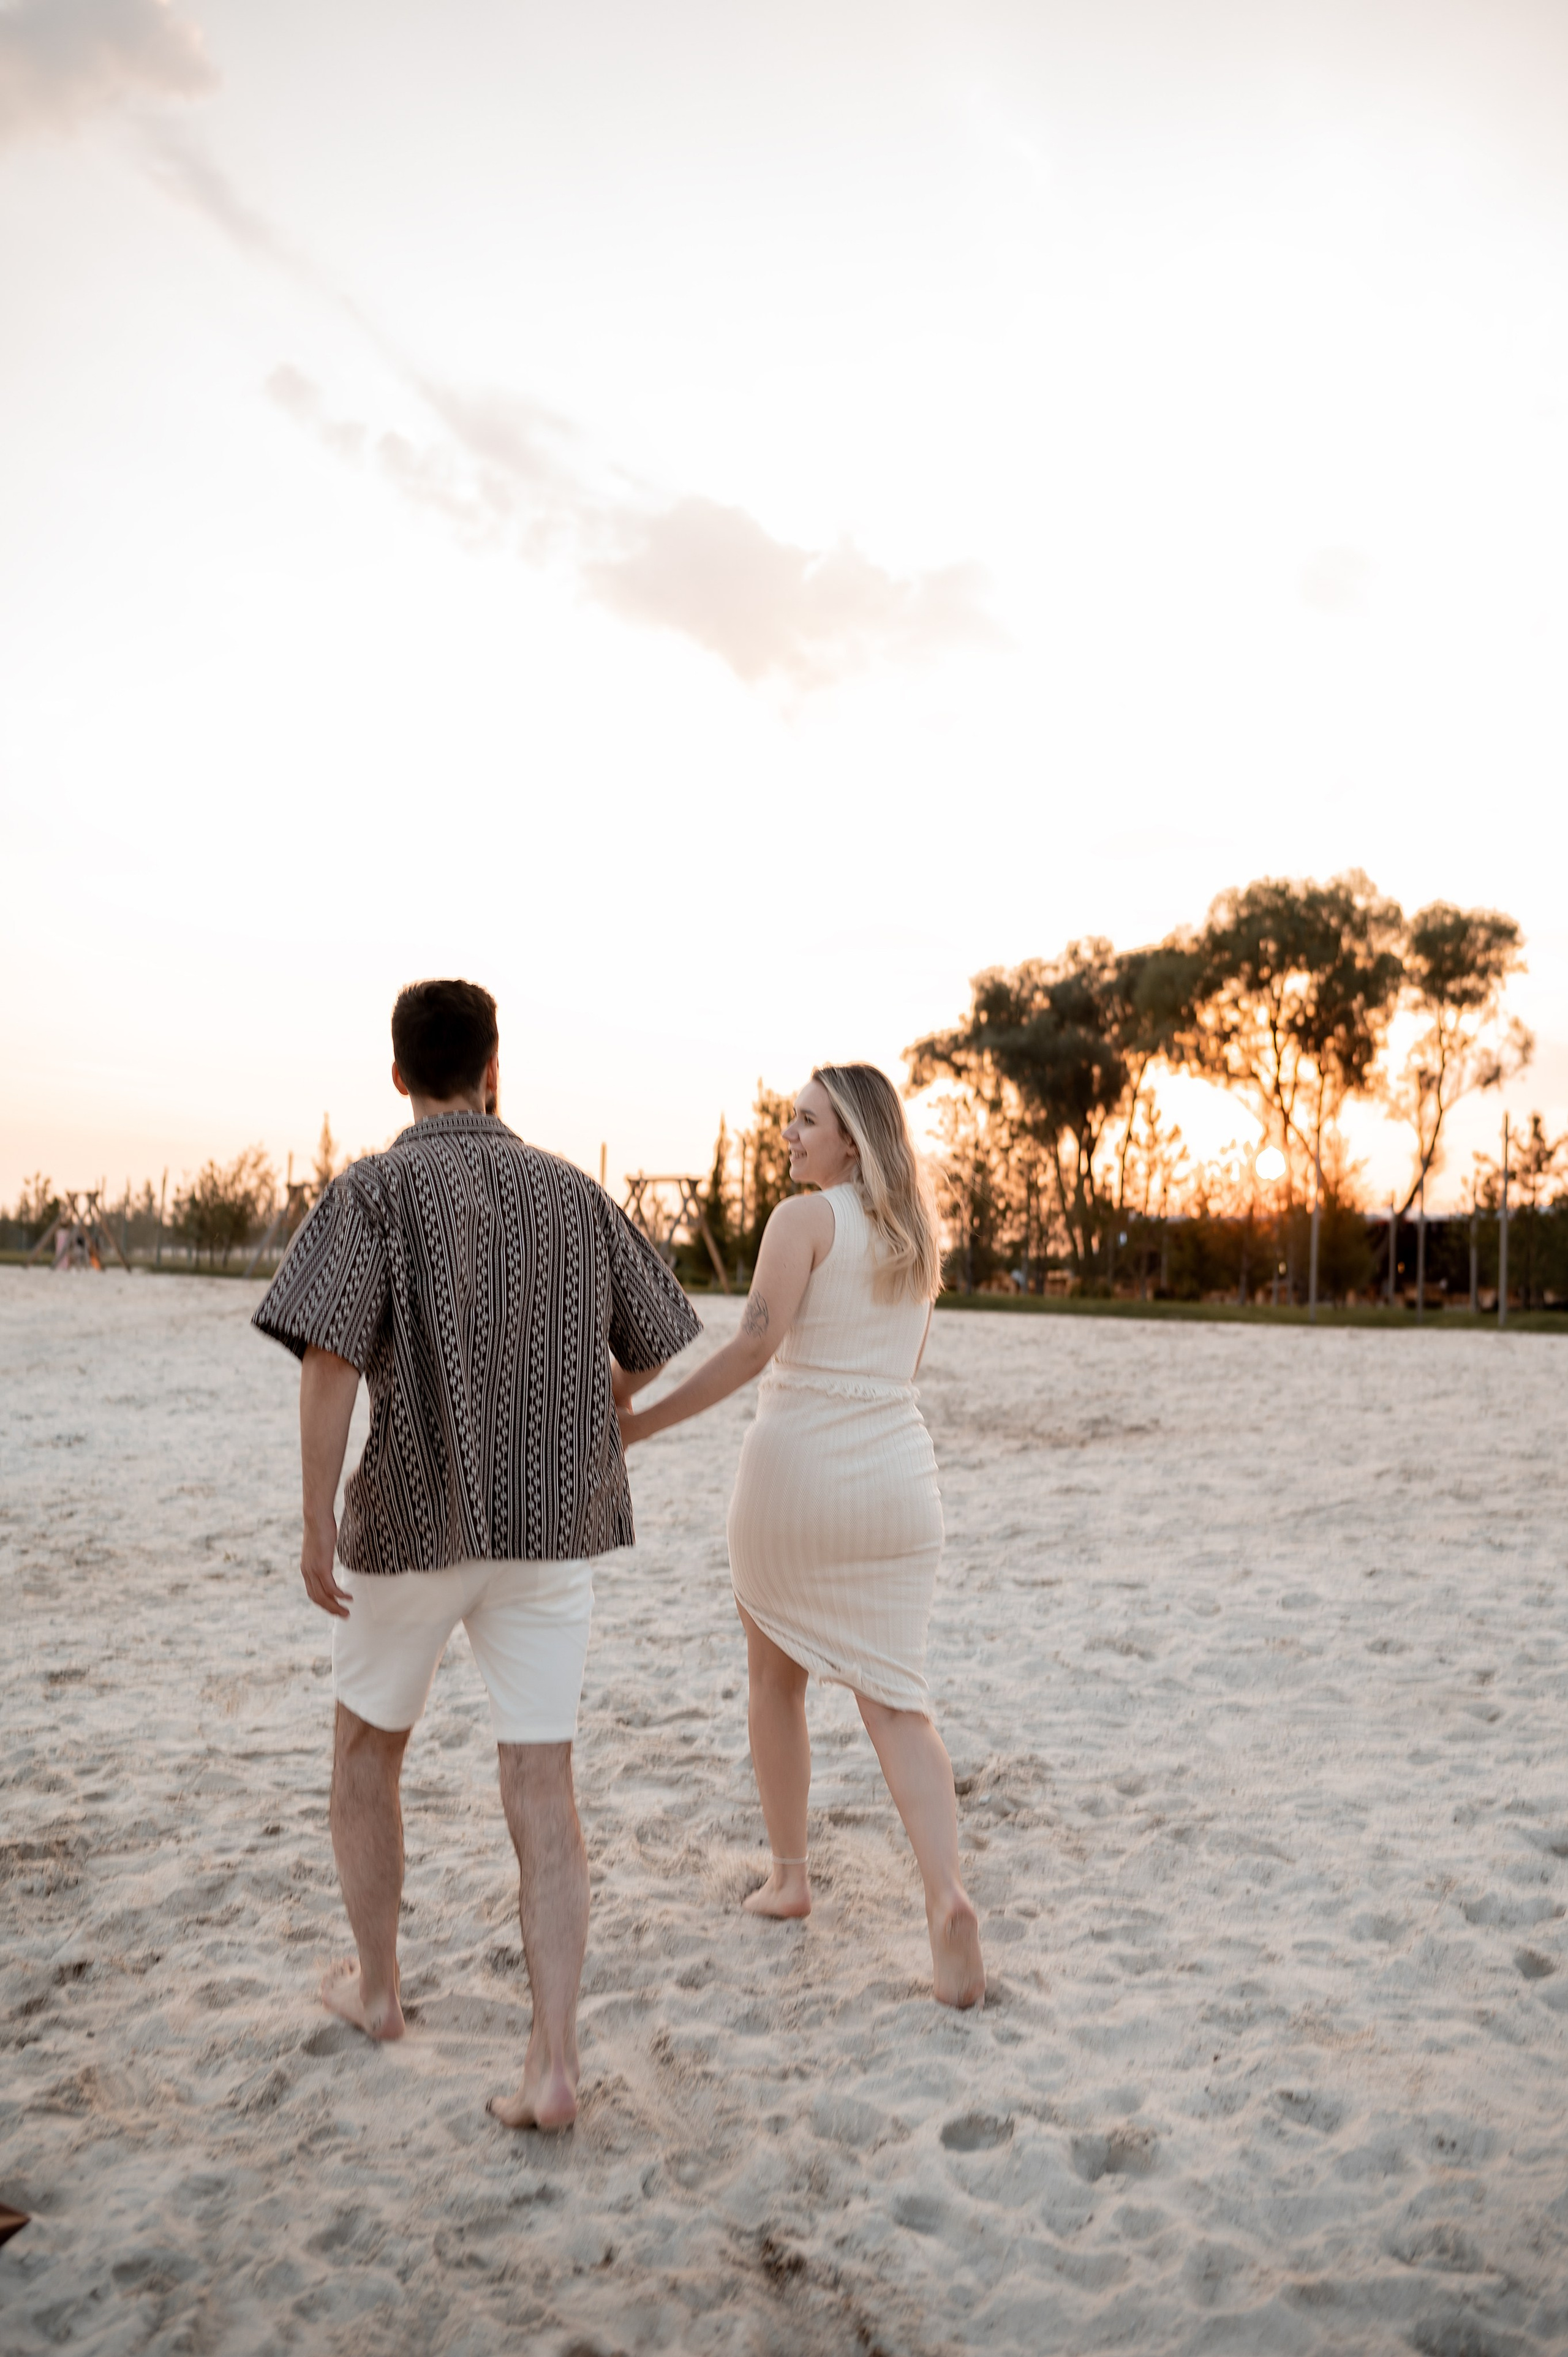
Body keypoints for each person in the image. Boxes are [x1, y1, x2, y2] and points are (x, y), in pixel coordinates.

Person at [253, 979, 699, 2127]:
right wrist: (595, 1402)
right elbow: (653, 1336)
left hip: (410, 1523)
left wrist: (314, 1518)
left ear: (397, 1074)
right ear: (498, 1065)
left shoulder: (370, 1192)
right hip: (551, 1531)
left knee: (365, 1755)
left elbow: (329, 1365)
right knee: (542, 1783)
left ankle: (383, 1991)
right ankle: (552, 2064)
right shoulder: (571, 1191)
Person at [619, 1065, 984, 2009]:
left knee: (775, 1680)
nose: (788, 1134)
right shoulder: (915, 1241)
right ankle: (946, 1897)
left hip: (800, 1477)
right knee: (899, 1704)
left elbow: (753, 1346)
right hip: (900, 1484)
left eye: (806, 1122)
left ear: (852, 1141)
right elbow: (905, 1366)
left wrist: (639, 1424)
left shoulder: (802, 1221)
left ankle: (790, 1878)